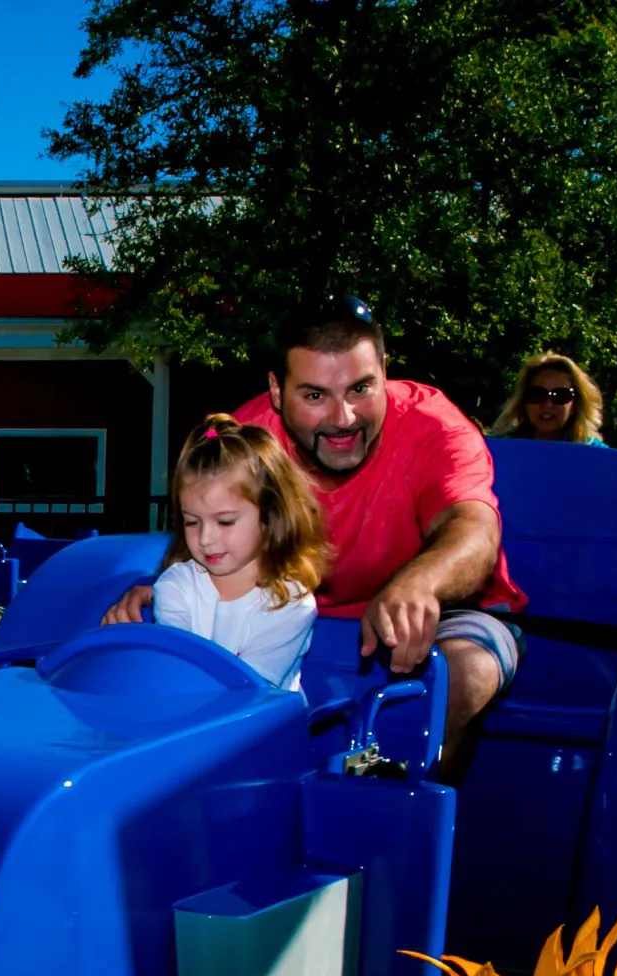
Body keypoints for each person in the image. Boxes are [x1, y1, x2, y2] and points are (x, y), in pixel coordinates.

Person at [103, 297, 525, 748]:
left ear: (385, 371)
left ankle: (404, 814)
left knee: (461, 674)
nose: (343, 418)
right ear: (278, 390)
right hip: (285, 612)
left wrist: (419, 584)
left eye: (361, 388)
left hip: (441, 611)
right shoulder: (247, 444)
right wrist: (171, 582)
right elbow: (204, 533)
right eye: (315, 395)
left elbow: (475, 528)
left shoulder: (435, 428)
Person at [102, 414, 326, 691]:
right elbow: (176, 673)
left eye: (225, 521)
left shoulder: (291, 603)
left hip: (267, 727)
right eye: (192, 522)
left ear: (270, 517)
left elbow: (248, 693)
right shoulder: (177, 584)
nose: (206, 539)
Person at [490, 351, 608, 445]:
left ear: (575, 405)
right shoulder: (497, 448)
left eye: (561, 395)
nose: (548, 404)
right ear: (524, 402)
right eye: (537, 394)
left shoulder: (595, 454)